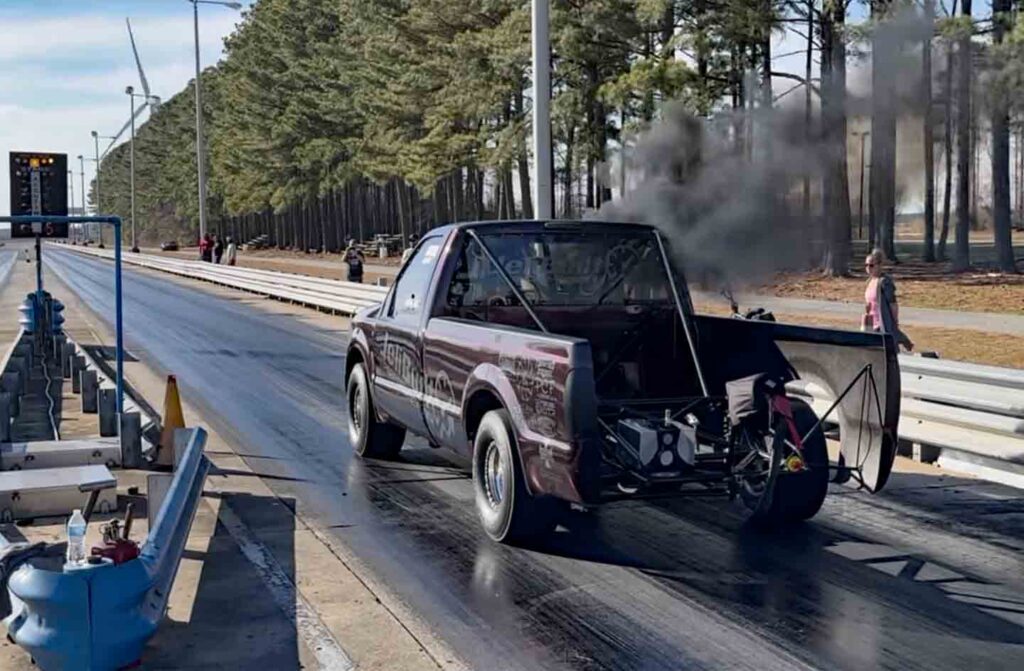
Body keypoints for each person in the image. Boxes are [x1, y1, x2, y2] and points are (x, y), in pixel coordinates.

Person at [863, 248, 913, 351]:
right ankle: (902, 339)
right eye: (866, 265)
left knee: (886, 351)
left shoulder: (884, 282)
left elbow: (893, 304)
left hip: (882, 324)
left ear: (879, 265)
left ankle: (902, 340)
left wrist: (895, 321)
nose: (868, 268)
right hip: (871, 324)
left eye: (871, 265)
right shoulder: (869, 281)